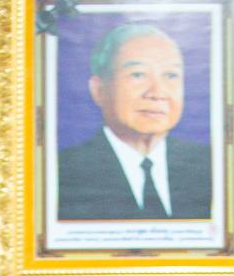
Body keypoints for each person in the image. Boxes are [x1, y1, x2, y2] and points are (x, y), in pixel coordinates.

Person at [56, 23, 213, 221]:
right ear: (99, 90)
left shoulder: (211, 166)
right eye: (138, 74)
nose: (157, 93)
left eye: (171, 75)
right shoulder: (62, 172)